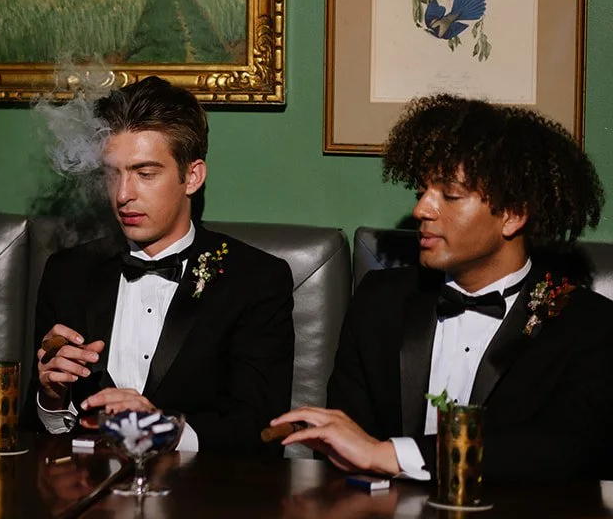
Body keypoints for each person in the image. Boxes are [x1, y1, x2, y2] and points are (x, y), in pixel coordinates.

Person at [275, 94, 613, 483]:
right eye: (422, 191)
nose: (422, 210)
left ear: (514, 215)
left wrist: (390, 454)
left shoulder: (587, 324)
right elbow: (349, 440)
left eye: (449, 195)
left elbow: (562, 450)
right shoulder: (380, 301)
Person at [31, 76, 294, 452]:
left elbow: (262, 431)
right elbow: (36, 430)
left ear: (192, 176)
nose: (123, 195)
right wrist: (52, 397)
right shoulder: (68, 272)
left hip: (199, 500)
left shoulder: (255, 280)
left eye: (145, 174)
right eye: (112, 174)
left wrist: (165, 429)